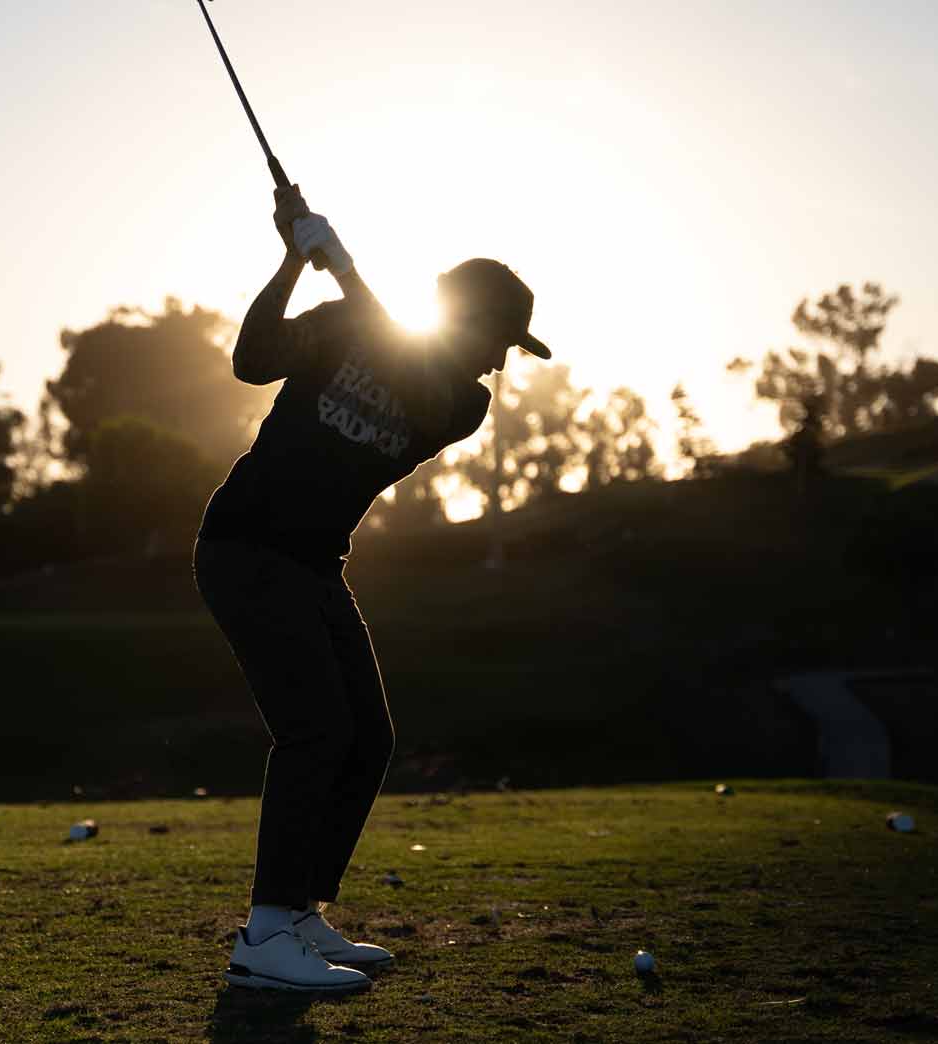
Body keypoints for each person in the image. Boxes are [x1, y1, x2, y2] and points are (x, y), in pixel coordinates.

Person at [193, 184, 552, 992]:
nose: (501, 360)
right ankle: (265, 934)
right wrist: (293, 261)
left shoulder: (463, 402)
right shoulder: (353, 325)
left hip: (317, 564)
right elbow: (253, 360)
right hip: (244, 547)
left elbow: (413, 379)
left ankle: (300, 911)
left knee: (369, 738)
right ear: (461, 319)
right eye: (499, 338)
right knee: (315, 732)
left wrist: (343, 265)